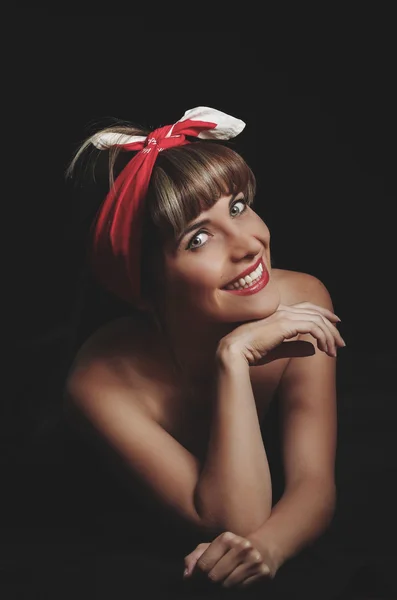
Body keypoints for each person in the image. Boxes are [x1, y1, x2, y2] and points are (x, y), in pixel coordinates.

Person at [62, 106, 346, 596]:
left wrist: (270, 548)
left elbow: (314, 482)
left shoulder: (304, 301)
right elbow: (233, 516)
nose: (248, 245)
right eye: (198, 238)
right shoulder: (98, 382)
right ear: (146, 287)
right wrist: (232, 359)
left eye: (237, 207)